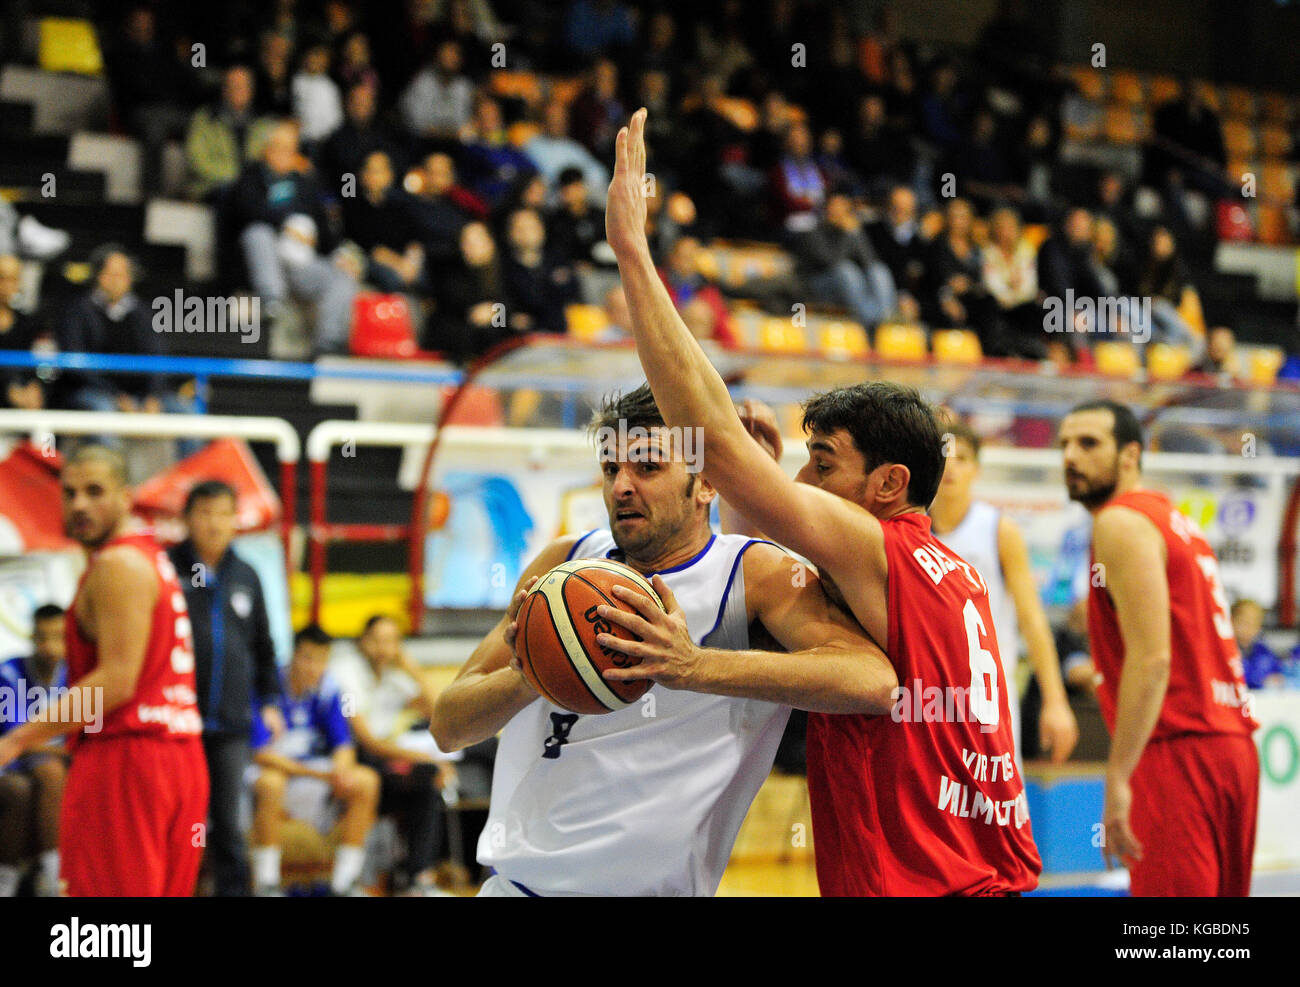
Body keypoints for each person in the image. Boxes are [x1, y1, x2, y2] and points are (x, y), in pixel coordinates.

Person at [606, 109, 1041, 896]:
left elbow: (714, 442)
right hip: (979, 868)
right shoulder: (947, 568)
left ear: (889, 485)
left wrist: (635, 258)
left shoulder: (884, 546)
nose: (805, 484)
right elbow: (765, 553)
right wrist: (760, 489)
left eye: (824, 463)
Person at [430, 384, 897, 896]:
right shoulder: (564, 565)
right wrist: (530, 674)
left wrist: (691, 665)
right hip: (519, 888)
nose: (622, 487)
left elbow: (872, 681)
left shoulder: (753, 575)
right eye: (612, 470)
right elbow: (448, 726)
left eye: (647, 468)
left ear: (706, 485)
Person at [1058, 400, 1259, 895]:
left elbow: (1153, 659)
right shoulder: (1173, 518)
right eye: (1063, 444)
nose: (1070, 456)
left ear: (1130, 454)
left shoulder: (1119, 522)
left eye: (1088, 443)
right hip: (1232, 747)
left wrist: (1119, 775)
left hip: (1177, 751)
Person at [0, 444, 207, 896]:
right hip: (180, 757)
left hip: (129, 759)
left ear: (126, 496)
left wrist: (18, 739)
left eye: (95, 491)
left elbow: (115, 680)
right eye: (70, 493)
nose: (79, 504)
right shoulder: (152, 558)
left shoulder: (116, 564)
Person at [929, 422, 1078, 763]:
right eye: (944, 456)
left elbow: (1032, 619)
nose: (951, 465)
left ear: (977, 469)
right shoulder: (909, 530)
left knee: (998, 809)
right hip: (925, 696)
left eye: (962, 458)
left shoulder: (1000, 530)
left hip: (989, 691)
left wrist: (1055, 700)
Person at [169, 480, 284, 897]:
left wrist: (269, 701)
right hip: (176, 722)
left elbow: (263, 646)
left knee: (229, 823)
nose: (214, 523)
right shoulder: (168, 568)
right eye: (204, 512)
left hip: (233, 725)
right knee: (180, 821)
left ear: (236, 520)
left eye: (223, 513)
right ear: (186, 518)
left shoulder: (247, 575)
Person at [329, 614, 458, 895]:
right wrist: (425, 758)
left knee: (428, 782)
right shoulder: (346, 671)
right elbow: (369, 742)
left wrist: (412, 667)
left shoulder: (393, 675)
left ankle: (417, 879)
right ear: (363, 642)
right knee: (427, 771)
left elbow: (439, 713)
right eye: (376, 640)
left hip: (386, 764)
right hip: (353, 757)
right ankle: (383, 878)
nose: (382, 648)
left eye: (390, 641)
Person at [249, 624, 379, 896]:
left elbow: (344, 745)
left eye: (321, 660)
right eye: (307, 658)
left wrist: (341, 770)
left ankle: (345, 882)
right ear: (292, 655)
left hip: (312, 776)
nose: (314, 667)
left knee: (366, 780)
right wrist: (317, 775)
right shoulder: (266, 687)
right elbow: (260, 753)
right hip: (273, 773)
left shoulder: (330, 691)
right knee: (271, 783)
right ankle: (267, 883)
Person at [0, 604, 67, 897]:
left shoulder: (79, 674)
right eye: (42, 637)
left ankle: (12, 877)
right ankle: (55, 879)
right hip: (15, 762)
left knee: (41, 782)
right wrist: (62, 748)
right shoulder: (10, 672)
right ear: (31, 637)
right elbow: (16, 740)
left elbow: (88, 734)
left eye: (59, 637)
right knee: (45, 774)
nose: (50, 647)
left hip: (62, 763)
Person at [1230, 599, 1286, 690]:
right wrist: (1258, 682)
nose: (1249, 627)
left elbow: (1279, 674)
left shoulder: (1264, 651)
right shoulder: (1223, 652)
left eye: (1255, 622)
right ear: (1231, 621)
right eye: (1244, 622)